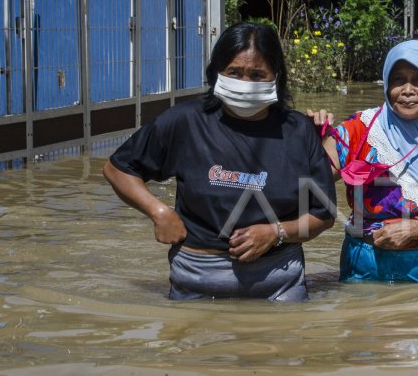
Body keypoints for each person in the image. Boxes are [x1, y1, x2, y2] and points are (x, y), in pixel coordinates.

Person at [103, 22, 337, 301]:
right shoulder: (185, 122)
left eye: (257, 74)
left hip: (280, 287)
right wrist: (159, 212)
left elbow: (323, 215)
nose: (244, 83)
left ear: (276, 76)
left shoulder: (298, 131)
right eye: (234, 73)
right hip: (194, 283)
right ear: (216, 73)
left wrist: (275, 233)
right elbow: (117, 168)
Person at [309, 40, 418, 283]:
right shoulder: (359, 130)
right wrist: (308, 138)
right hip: (361, 268)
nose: (407, 90)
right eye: (398, 80)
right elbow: (311, 179)